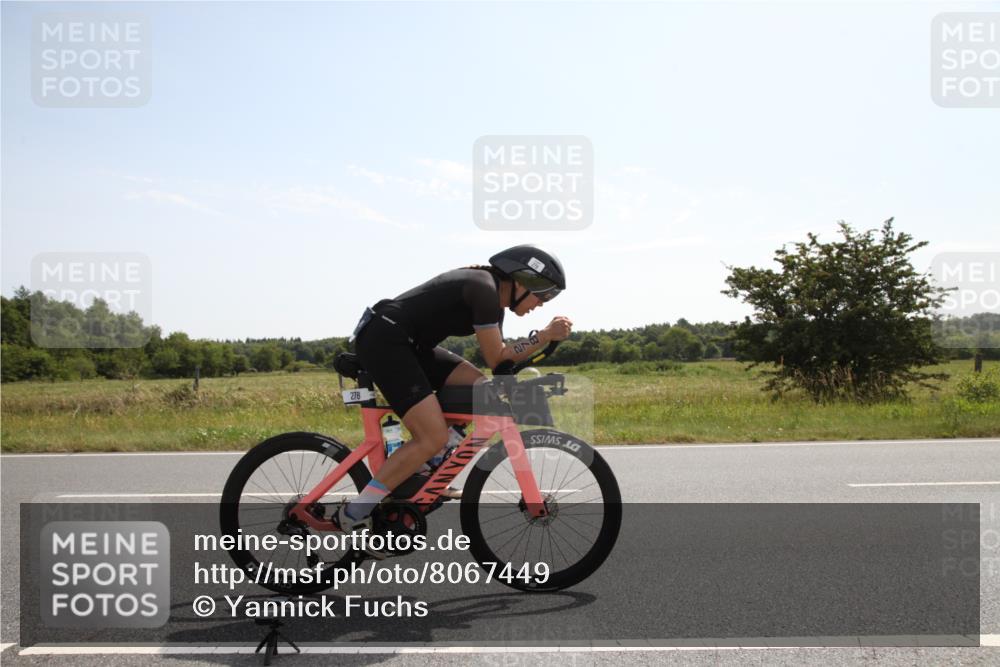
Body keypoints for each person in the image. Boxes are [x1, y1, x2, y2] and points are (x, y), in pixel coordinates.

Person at [335, 245, 572, 556]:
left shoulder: (490, 298)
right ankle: (355, 513)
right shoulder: (483, 290)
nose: (541, 303)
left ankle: (423, 473)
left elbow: (500, 367)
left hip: (408, 344)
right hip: (387, 340)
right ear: (521, 281)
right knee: (431, 435)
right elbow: (497, 355)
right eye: (542, 294)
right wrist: (543, 335)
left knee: (481, 392)